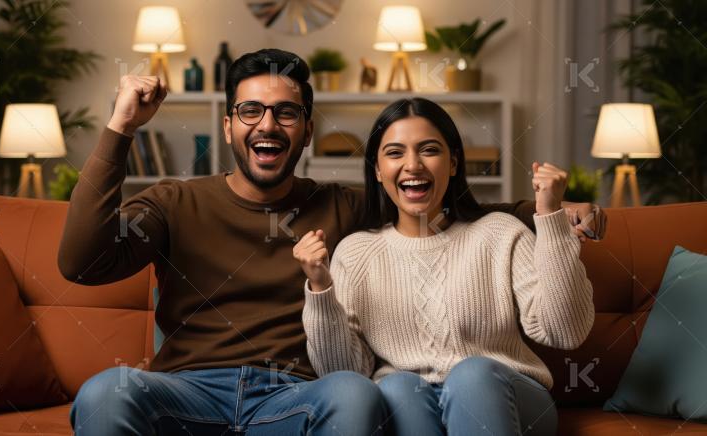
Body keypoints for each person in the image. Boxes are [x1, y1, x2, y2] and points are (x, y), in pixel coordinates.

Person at [59, 48, 605, 435]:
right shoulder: (174, 201)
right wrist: (121, 127)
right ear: (228, 126)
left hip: (295, 395)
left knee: (355, 391)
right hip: (189, 390)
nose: (267, 125)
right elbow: (81, 262)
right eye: (251, 111)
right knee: (106, 392)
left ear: (306, 131)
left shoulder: (345, 206)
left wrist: (548, 214)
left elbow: (441, 210)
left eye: (286, 112)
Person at [295, 98, 596, 436]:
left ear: (452, 163)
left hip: (508, 397)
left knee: (471, 376)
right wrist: (320, 289)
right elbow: (344, 372)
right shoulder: (355, 253)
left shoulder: (500, 233)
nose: (413, 165)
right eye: (395, 153)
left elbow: (565, 331)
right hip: (411, 406)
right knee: (396, 387)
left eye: (429, 150)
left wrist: (551, 216)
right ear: (378, 170)